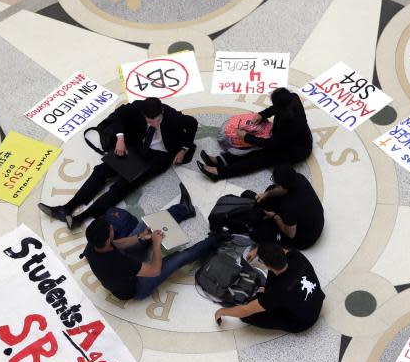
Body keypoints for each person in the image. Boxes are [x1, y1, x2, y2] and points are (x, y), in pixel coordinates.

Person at [39, 97, 198, 228]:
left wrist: (183, 149)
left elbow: (192, 123)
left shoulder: (174, 117)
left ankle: (80, 218)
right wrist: (120, 138)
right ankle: (66, 208)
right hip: (137, 147)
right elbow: (119, 114)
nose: (154, 124)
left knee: (122, 186)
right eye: (150, 121)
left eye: (157, 120)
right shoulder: (138, 107)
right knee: (102, 170)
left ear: (161, 112)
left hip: (159, 156)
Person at [83, 185, 221, 301]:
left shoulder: (93, 244)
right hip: (137, 287)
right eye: (110, 229)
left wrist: (140, 237)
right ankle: (216, 239)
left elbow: (117, 243)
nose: (112, 227)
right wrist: (156, 243)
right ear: (107, 240)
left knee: (145, 224)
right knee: (179, 258)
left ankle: (185, 208)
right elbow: (154, 270)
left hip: (124, 267)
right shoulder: (118, 263)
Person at [197, 87, 312, 180]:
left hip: (295, 150)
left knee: (258, 158)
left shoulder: (290, 125)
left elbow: (271, 144)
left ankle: (219, 173)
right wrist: (262, 114)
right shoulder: (292, 98)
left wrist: (247, 137)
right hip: (286, 139)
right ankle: (221, 160)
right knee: (252, 146)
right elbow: (275, 108)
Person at [213, 243, 324, 333]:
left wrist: (221, 311)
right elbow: (279, 248)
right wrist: (258, 250)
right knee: (277, 289)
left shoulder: (277, 292)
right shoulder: (296, 256)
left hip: (303, 321)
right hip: (317, 299)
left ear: (266, 264)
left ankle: (266, 298)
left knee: (247, 317)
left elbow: (246, 311)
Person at [249, 165, 324, 249]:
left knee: (257, 233)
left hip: (304, 238)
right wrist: (267, 194)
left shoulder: (288, 207)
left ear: (280, 187)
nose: (273, 182)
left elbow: (291, 234)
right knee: (271, 189)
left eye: (274, 181)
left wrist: (274, 216)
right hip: (314, 218)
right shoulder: (299, 177)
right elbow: (277, 190)